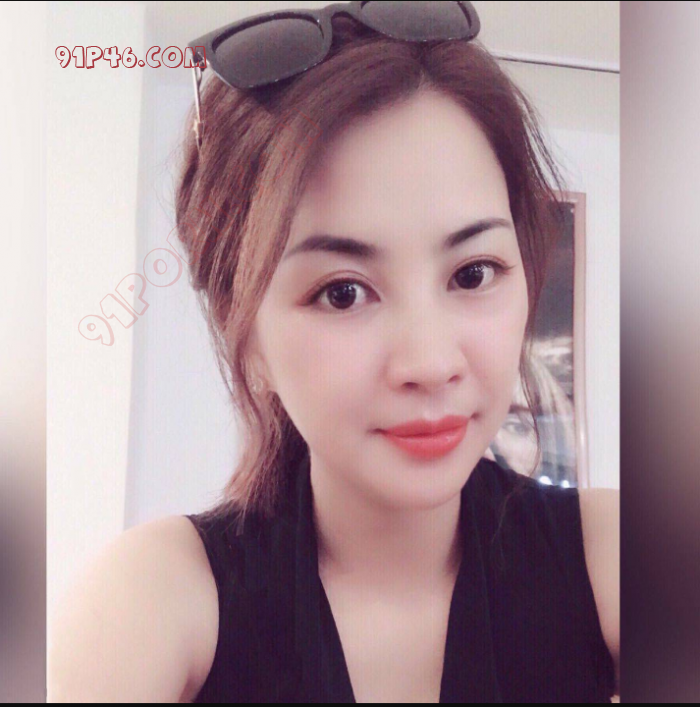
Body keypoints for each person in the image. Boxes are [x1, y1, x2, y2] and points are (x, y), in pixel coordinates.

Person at [47, 2, 619, 702]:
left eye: (473, 274)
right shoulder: (156, 600)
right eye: (342, 293)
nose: (429, 362)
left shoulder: (612, 557)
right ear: (245, 335)